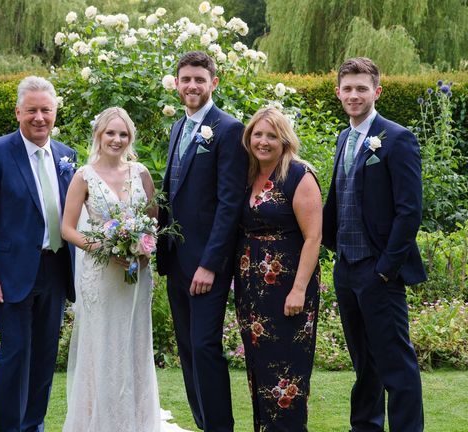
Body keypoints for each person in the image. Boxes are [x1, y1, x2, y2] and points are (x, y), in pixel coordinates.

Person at [61, 107, 189, 432]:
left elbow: (153, 219)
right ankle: (100, 421)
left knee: (133, 342)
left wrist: (144, 247)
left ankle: (137, 421)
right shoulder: (83, 176)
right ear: (99, 136)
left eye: (123, 134)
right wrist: (104, 247)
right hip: (100, 275)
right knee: (102, 344)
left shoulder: (140, 172)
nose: (116, 140)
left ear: (129, 138)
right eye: (110, 133)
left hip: (135, 274)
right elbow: (67, 228)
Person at [322, 57, 427, 431]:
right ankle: (364, 426)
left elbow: (409, 211)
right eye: (347, 88)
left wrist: (385, 269)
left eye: (361, 88)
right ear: (338, 92)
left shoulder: (397, 138)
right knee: (363, 363)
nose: (354, 95)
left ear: (376, 92)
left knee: (396, 363)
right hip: (346, 269)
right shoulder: (343, 137)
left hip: (378, 270)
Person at [0, 76, 76, 432]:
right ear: (18, 112)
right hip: (11, 273)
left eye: (46, 110)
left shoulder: (66, 156)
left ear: (55, 112)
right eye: (32, 110)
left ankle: (34, 426)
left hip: (56, 270)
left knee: (45, 358)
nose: (39, 117)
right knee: (15, 354)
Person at [157, 51, 249, 432]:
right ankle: (203, 423)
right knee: (189, 350)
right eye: (185, 79)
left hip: (206, 265)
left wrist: (211, 264)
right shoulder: (180, 127)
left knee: (206, 348)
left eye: (199, 79)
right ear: (176, 84)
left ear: (214, 82)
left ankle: (219, 427)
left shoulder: (227, 129)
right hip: (176, 260)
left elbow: (230, 204)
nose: (192, 86)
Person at [234, 107, 322, 431]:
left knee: (287, 378)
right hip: (252, 293)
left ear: (284, 139)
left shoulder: (299, 176)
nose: (263, 141)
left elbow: (314, 238)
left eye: (271, 135)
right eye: (258, 134)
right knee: (261, 373)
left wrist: (298, 289)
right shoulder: (247, 175)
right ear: (249, 138)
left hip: (287, 292)